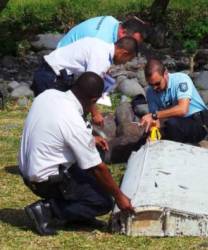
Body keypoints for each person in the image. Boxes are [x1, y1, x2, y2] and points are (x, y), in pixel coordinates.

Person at [19, 72, 134, 236]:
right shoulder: (73, 119)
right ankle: (47, 210)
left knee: (96, 156)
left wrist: (90, 139)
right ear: (94, 100)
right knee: (102, 201)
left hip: (29, 171)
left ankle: (77, 215)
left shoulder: (48, 95)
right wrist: (119, 197)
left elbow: (55, 130)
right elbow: (97, 168)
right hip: (46, 180)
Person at [31, 36, 138, 126]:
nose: (123, 64)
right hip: (52, 77)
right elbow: (89, 90)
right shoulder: (102, 58)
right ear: (124, 53)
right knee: (52, 119)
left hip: (48, 70)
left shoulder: (99, 43)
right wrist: (95, 114)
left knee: (51, 115)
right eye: (127, 60)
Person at [140, 59, 208, 144]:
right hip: (178, 124)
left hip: (199, 123)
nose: (155, 88)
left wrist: (155, 115)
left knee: (172, 124)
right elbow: (155, 120)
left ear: (165, 74)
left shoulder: (181, 79)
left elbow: (183, 110)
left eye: (157, 83)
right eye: (151, 84)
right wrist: (152, 134)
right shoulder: (150, 92)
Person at [57, 16, 147, 48]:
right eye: (133, 43)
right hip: (60, 69)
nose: (133, 47)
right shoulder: (101, 41)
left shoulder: (111, 20)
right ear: (123, 32)